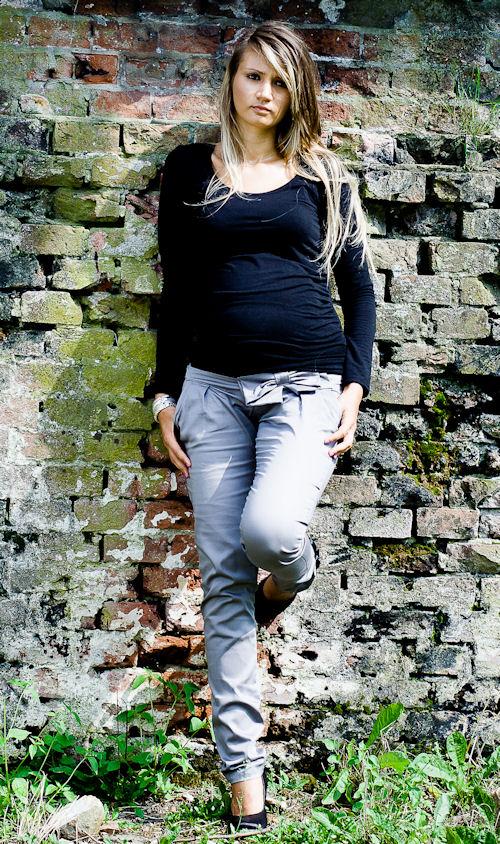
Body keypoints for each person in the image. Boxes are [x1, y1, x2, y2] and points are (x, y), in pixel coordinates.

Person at [152, 20, 377, 833]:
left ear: (296, 94)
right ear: (233, 80)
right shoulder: (189, 171)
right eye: (253, 76)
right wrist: (164, 396)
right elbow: (177, 291)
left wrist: (356, 385)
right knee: (222, 583)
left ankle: (290, 577)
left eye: (280, 82)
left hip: (306, 385)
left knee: (272, 532)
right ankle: (245, 783)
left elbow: (359, 291)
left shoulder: (322, 177)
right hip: (211, 391)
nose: (264, 93)